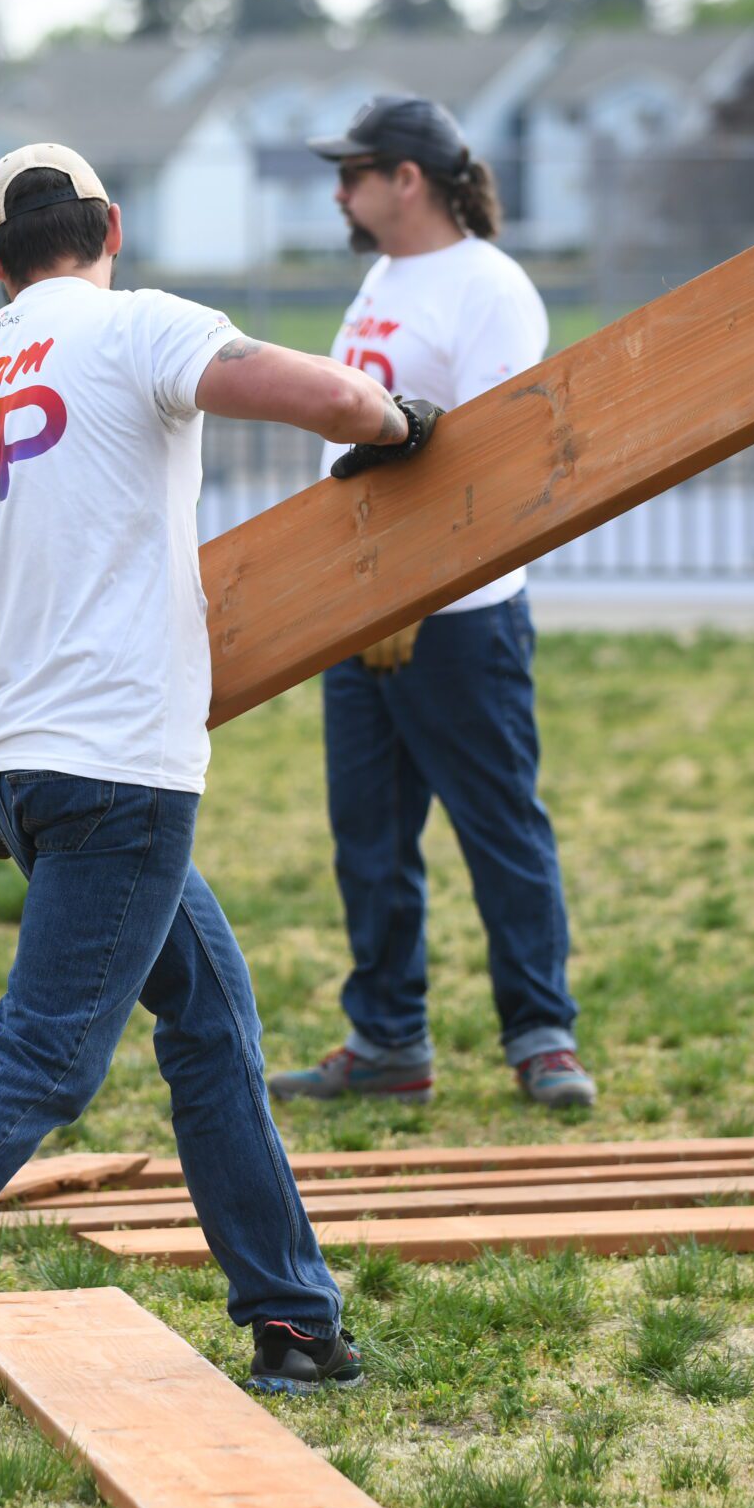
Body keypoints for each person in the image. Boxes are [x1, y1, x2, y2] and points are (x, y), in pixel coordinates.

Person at [0, 143, 443, 1440]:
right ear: (111, 225)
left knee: (209, 1010)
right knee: (47, 1056)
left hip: (20, 760)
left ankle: (294, 1316)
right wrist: (403, 424)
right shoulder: (137, 329)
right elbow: (339, 404)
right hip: (123, 761)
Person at [266, 96, 595, 1113]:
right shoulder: (385, 276)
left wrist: (421, 588)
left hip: (458, 612)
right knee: (367, 836)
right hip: (360, 604)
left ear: (408, 178)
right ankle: (387, 1041)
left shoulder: (489, 287)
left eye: (354, 172)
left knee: (497, 824)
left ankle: (541, 1036)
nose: (339, 191)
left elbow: (486, 460)